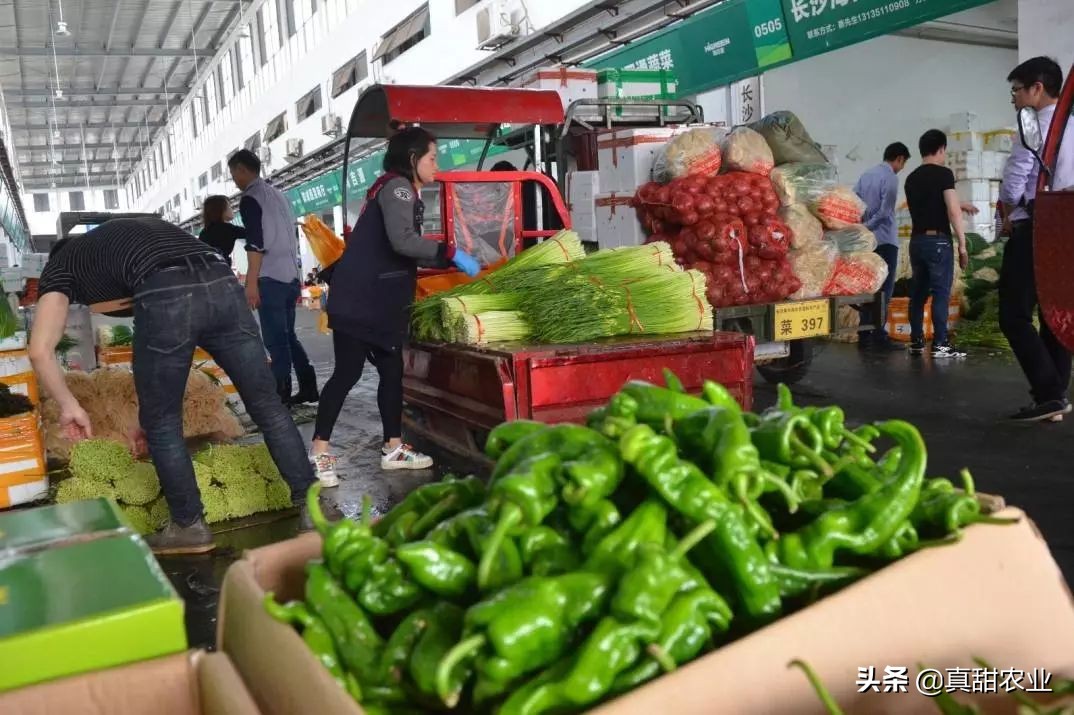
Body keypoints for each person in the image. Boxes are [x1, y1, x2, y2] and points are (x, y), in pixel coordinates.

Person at [27, 217, 330, 555]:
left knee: (163, 424)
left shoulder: (60, 266)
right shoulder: (121, 237)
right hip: (221, 279)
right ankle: (314, 509)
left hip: (166, 288)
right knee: (268, 407)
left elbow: (40, 350)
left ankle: (188, 526)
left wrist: (71, 406)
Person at [309, 128, 480, 482]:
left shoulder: (396, 188)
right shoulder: (398, 189)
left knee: (391, 372)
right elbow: (403, 242)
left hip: (377, 302)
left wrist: (443, 260)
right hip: (363, 303)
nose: (438, 165)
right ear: (413, 159)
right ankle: (320, 452)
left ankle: (394, 447)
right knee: (347, 374)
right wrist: (450, 252)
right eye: (433, 158)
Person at [999, 56, 1074, 422]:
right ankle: (1055, 398)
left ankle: (1049, 393)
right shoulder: (1073, 124)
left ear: (1037, 89)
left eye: (1017, 90)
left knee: (1013, 314)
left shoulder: (1033, 125)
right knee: (1054, 313)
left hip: (1035, 225)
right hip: (1066, 227)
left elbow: (1015, 181)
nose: (1014, 98)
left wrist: (1006, 212)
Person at [228, 149, 318, 406]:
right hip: (290, 277)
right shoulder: (280, 195)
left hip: (270, 279)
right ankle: (308, 387)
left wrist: (251, 282)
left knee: (276, 342)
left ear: (242, 170)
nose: (234, 179)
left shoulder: (251, 198)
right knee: (289, 337)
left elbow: (256, 244)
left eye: (234, 174)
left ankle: (280, 398)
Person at [903, 129, 978, 359]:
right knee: (941, 293)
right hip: (938, 242)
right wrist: (962, 245)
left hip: (917, 242)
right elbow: (953, 211)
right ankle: (941, 344)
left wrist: (959, 203)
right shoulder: (944, 174)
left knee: (918, 294)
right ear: (942, 149)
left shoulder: (911, 178)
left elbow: (930, 205)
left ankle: (916, 341)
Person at [854, 142, 911, 351]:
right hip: (885, 241)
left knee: (868, 286)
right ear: (899, 159)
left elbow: (854, 203)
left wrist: (860, 229)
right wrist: (867, 228)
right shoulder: (890, 178)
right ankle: (879, 335)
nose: (901, 167)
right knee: (884, 290)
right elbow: (885, 213)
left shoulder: (866, 175)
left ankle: (864, 334)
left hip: (866, 245)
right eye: (903, 163)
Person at [198, 195, 246, 263]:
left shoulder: (204, 232)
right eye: (229, 206)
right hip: (222, 269)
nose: (232, 209)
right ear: (220, 210)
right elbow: (252, 233)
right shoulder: (229, 229)